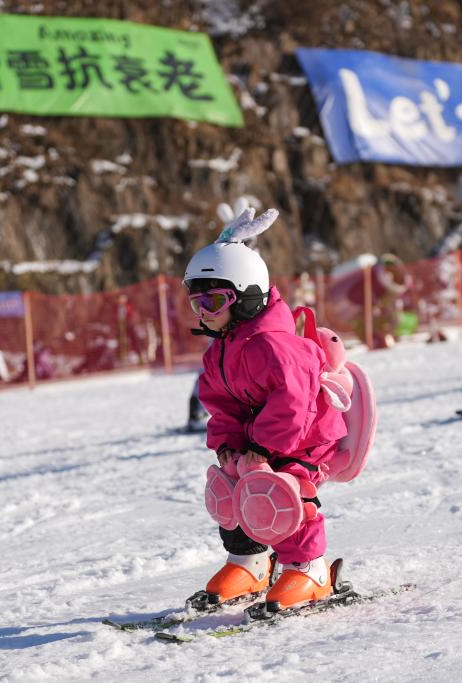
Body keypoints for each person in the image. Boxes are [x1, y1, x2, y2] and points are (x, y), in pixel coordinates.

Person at [183, 206, 346, 613]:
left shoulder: (274, 345)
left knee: (279, 489)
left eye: (214, 301)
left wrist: (262, 448)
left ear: (246, 297)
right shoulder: (221, 351)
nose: (203, 312)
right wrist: (228, 446)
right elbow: (221, 406)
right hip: (262, 440)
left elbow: (294, 404)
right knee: (228, 487)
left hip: (304, 440)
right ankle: (250, 563)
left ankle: (310, 569)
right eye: (196, 303)